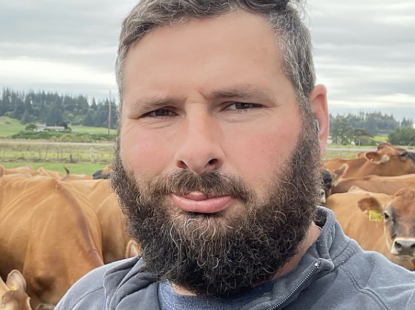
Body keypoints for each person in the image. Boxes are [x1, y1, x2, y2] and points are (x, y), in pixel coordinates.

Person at [55, 0, 415, 309]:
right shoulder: (87, 299)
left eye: (240, 105)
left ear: (316, 123)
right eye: (158, 112)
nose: (196, 152)